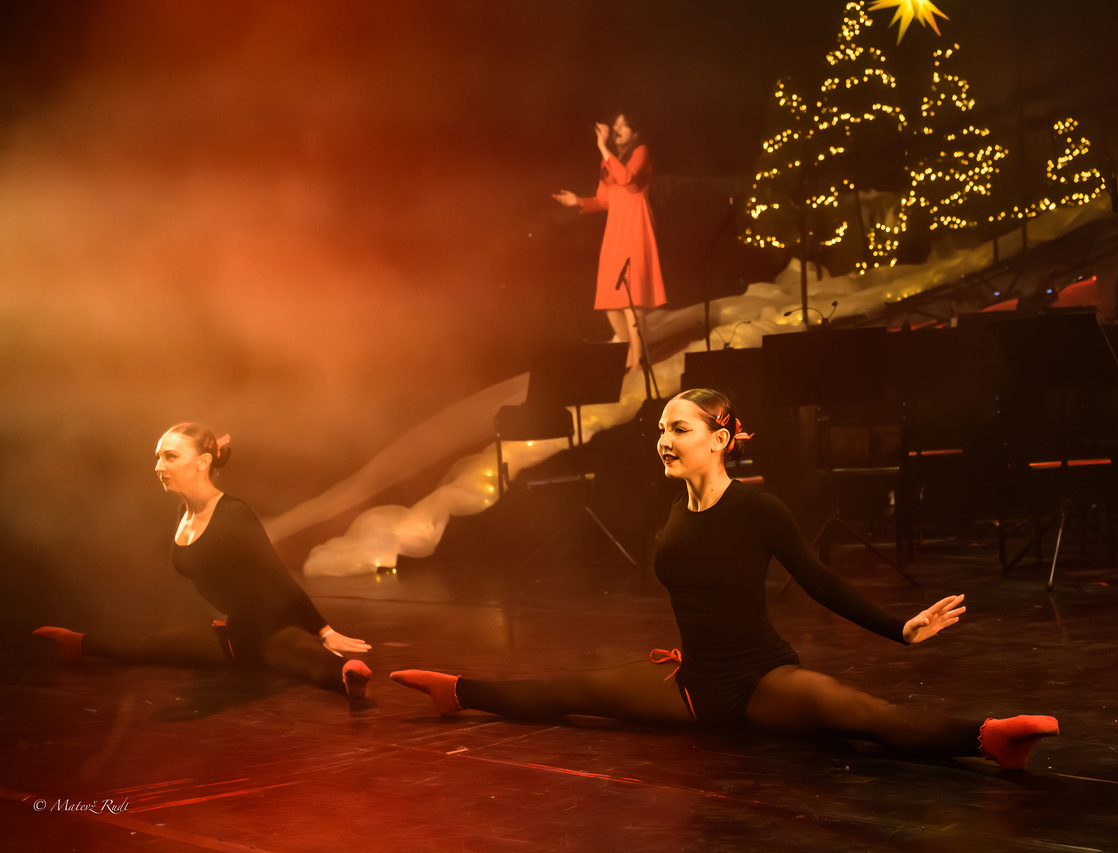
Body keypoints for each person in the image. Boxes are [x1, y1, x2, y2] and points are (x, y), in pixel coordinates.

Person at [392, 389, 1059, 770]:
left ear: (719, 439)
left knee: (862, 715)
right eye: (661, 428)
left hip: (759, 678)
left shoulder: (759, 509)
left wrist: (899, 629)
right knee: (566, 691)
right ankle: (457, 691)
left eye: (678, 429)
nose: (663, 439)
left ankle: (992, 737)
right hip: (690, 683)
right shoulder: (672, 510)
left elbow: (818, 579)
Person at [34, 423, 373, 701]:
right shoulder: (183, 513)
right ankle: (77, 642)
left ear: (202, 462)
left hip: (273, 628)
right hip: (233, 635)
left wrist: (323, 630)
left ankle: (348, 678)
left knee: (307, 660)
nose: (158, 467)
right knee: (153, 645)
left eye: (170, 456)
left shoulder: (233, 514)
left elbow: (278, 576)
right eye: (158, 457)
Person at [552, 112, 666, 370]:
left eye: (622, 125)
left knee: (632, 302)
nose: (616, 129)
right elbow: (603, 199)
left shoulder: (641, 152)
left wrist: (603, 147)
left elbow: (627, 178)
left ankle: (638, 363)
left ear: (636, 131)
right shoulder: (609, 161)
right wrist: (578, 201)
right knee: (610, 303)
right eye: (615, 125)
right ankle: (632, 356)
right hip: (615, 232)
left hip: (636, 228)